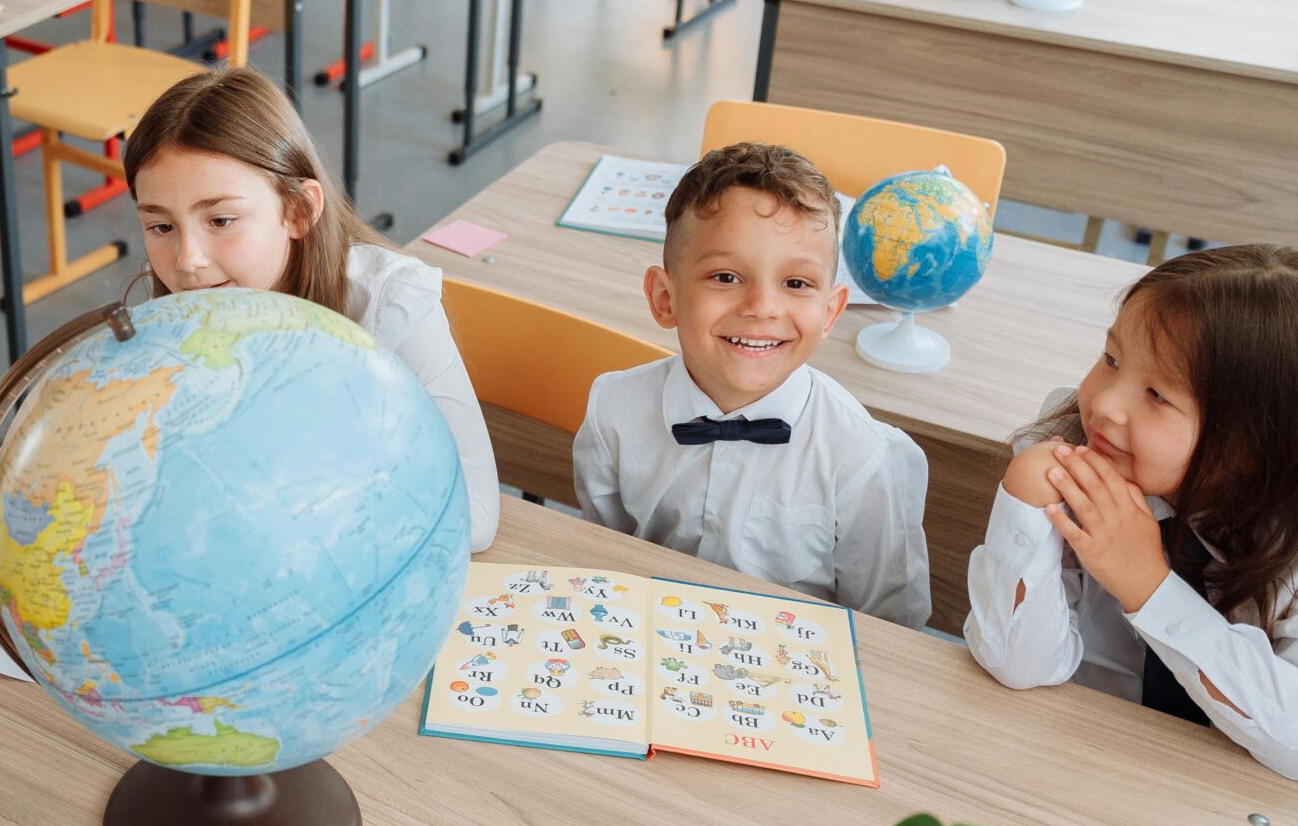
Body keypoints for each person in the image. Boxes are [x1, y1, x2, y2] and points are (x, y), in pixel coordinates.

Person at [964, 245, 1298, 782]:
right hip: (1073, 761)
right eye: (1112, 359)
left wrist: (1150, 588)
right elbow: (1016, 667)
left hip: (1229, 808)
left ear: (1275, 441)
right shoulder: (1077, 461)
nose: (1104, 405)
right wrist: (1025, 502)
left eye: (1158, 395)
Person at [125, 67, 500, 551]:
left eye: (220, 219)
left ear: (298, 211)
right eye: (161, 227)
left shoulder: (388, 305)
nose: (187, 261)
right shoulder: (171, 317)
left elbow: (475, 514)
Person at [572, 142, 930, 627]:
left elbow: (891, 629)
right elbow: (606, 560)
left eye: (797, 284)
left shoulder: (864, 458)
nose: (762, 306)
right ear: (664, 298)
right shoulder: (611, 411)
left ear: (830, 313)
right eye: (726, 276)